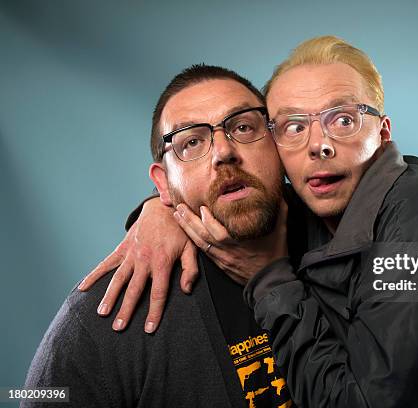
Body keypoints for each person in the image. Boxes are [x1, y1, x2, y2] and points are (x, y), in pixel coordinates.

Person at [83, 36, 418, 407]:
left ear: (383, 134)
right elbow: (231, 191)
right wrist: (159, 211)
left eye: (342, 120)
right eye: (294, 126)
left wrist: (268, 278)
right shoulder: (312, 206)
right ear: (277, 149)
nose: (318, 145)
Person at [24, 64, 296, 408]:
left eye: (243, 127)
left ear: (279, 144)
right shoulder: (107, 312)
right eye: (192, 142)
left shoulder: (342, 240)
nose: (224, 152)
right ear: (163, 183)